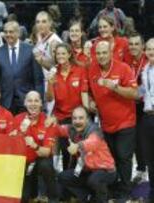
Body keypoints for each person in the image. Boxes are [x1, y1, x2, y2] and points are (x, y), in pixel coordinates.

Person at [88, 41, 138, 201]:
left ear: (111, 53)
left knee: (124, 157)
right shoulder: (92, 70)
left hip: (126, 122)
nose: (101, 56)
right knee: (113, 158)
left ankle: (125, 191)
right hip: (106, 124)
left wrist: (115, 87)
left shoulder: (123, 68)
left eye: (104, 52)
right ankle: (116, 188)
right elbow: (89, 92)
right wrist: (90, 102)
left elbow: (135, 94)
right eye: (98, 53)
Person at [57, 106, 116, 203]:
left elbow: (92, 142)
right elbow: (58, 130)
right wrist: (49, 123)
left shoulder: (94, 130)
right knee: (62, 177)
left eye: (81, 118)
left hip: (106, 170)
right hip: (87, 170)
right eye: (74, 118)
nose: (77, 121)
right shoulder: (72, 129)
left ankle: (104, 199)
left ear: (87, 119)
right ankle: (88, 197)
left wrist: (77, 146)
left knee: (94, 180)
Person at [47, 43, 89, 171]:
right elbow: (49, 99)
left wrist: (86, 115)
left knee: (80, 151)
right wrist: (49, 83)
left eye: (63, 53)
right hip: (62, 117)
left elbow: (84, 93)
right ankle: (67, 182)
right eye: (58, 54)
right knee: (66, 152)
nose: (60, 56)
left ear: (69, 54)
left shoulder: (79, 70)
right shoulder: (53, 73)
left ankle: (79, 182)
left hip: (77, 118)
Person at [11, 91, 58, 203]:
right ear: (25, 103)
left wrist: (34, 145)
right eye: (30, 101)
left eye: (36, 100)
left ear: (41, 104)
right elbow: (8, 143)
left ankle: (53, 198)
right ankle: (33, 193)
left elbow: (47, 152)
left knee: (46, 165)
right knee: (24, 197)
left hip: (40, 159)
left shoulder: (47, 121)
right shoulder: (17, 119)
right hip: (24, 162)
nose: (33, 104)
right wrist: (15, 135)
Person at [0, 21, 44, 114]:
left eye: (11, 32)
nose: (8, 34)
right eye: (6, 32)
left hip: (27, 102)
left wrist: (39, 103)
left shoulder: (30, 50)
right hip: (5, 102)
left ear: (18, 33)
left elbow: (38, 79)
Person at [124, 32, 148, 184]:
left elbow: (147, 85)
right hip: (133, 106)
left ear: (142, 46)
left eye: (136, 44)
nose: (133, 47)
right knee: (137, 139)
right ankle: (140, 168)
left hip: (147, 106)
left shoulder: (148, 61)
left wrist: (133, 93)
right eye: (130, 44)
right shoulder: (128, 61)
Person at [139, 38, 154, 203]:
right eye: (149, 49)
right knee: (150, 158)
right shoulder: (145, 69)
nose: (151, 52)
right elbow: (142, 91)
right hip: (148, 117)